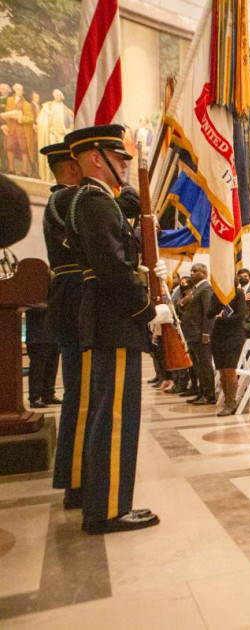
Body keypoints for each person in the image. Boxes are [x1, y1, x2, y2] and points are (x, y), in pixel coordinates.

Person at [63, 124, 172, 534]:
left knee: (106, 412)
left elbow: (116, 261)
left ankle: (100, 500)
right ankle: (109, 509)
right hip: (116, 322)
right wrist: (148, 309)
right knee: (115, 417)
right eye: (119, 157)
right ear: (96, 158)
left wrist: (145, 269)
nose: (125, 165)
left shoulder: (92, 202)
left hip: (109, 320)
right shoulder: (97, 202)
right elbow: (112, 269)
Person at [40, 141, 86, 509]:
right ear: (72, 166)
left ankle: (78, 477)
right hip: (75, 298)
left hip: (72, 295)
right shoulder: (65, 199)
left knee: (81, 391)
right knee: (80, 392)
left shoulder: (64, 200)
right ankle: (75, 478)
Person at [179, 263, 215, 406]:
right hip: (191, 333)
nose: (192, 273)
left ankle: (209, 395)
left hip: (200, 333)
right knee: (197, 365)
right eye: (191, 271)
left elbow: (208, 312)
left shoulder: (206, 288)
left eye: (195, 271)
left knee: (205, 365)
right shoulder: (195, 289)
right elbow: (183, 310)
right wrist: (183, 302)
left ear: (204, 272)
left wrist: (206, 332)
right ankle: (201, 393)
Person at [209, 283, 247, 416]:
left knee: (230, 370)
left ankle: (231, 403)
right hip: (217, 335)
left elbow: (241, 316)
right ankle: (228, 401)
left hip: (233, 336)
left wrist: (223, 318)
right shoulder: (216, 294)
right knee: (222, 372)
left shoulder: (238, 293)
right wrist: (218, 300)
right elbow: (209, 313)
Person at [3, 84, 34, 176]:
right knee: (9, 148)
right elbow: (6, 114)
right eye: (18, 89)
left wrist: (20, 118)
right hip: (11, 129)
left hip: (22, 131)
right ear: (15, 90)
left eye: (21, 89)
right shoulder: (9, 100)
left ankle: (24, 171)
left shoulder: (27, 105)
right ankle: (11, 169)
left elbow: (30, 119)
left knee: (24, 150)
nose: (20, 91)